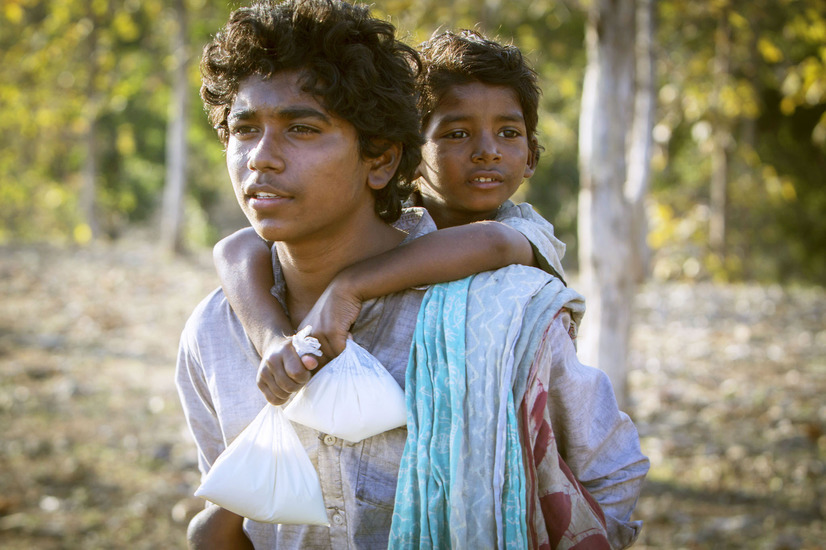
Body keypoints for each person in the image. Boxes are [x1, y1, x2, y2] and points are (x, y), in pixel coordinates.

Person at [176, 1, 648, 548]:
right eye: (244, 129)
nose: (261, 158)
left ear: (380, 160)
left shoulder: (499, 315)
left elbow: (611, 482)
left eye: (302, 128)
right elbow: (238, 514)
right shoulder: (216, 332)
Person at [213, 29, 580, 409]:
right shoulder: (383, 213)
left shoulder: (519, 228)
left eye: (508, 133)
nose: (487, 152)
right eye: (456, 133)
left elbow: (494, 242)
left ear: (532, 157)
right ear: (411, 155)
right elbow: (233, 249)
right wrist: (271, 337)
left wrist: (348, 287)